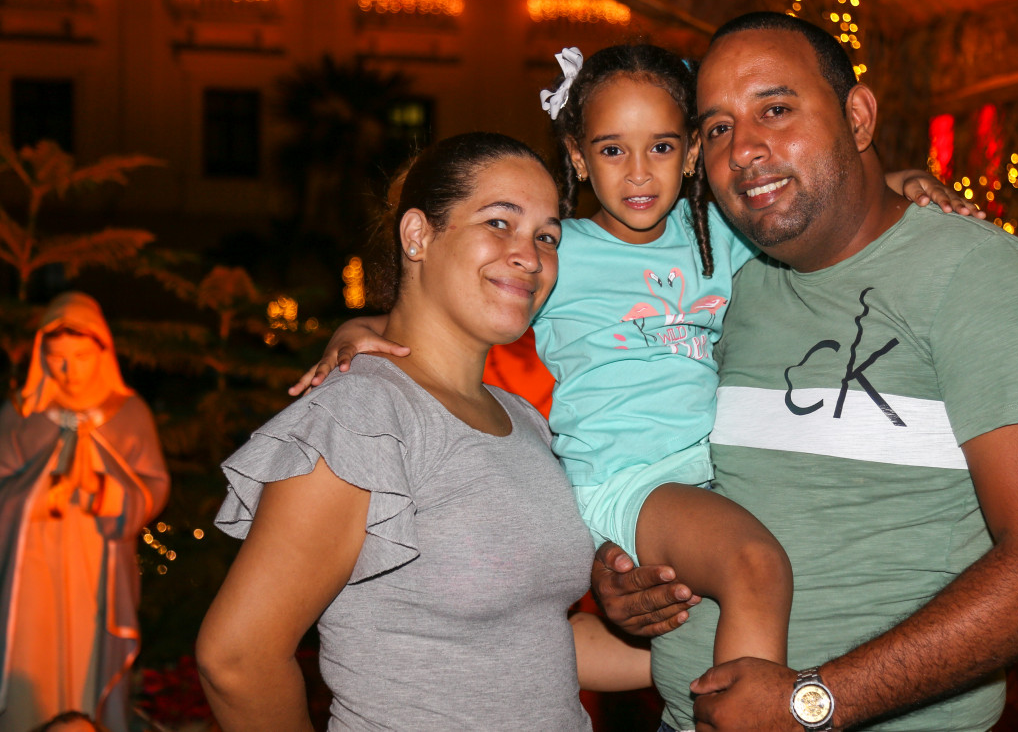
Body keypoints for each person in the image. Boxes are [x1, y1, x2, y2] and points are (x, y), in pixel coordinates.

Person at [294, 43, 976, 672]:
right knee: (756, 566)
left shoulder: (722, 234)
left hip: (710, 474)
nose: (639, 171)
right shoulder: (562, 250)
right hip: (628, 477)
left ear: (691, 153)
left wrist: (902, 181)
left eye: (662, 147)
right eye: (613, 150)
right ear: (579, 157)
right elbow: (454, 305)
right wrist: (355, 329)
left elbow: (820, 209)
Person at [592, 12, 1018, 732]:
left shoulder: (976, 273)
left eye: (775, 109)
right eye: (718, 127)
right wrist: (625, 575)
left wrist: (811, 701)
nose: (743, 149)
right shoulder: (724, 283)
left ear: (858, 117)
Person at [196, 133, 647, 732]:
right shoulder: (364, 415)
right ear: (417, 236)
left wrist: (719, 645)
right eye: (499, 222)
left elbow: (535, 643)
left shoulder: (524, 419)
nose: (531, 256)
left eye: (547, 237)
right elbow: (236, 659)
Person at [0, 293, 169, 732]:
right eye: (57, 359)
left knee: (89, 649)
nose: (69, 370)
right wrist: (38, 496)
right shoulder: (21, 414)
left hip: (98, 563)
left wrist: (107, 493)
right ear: (42, 357)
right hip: (31, 567)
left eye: (80, 357)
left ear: (103, 353)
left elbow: (153, 484)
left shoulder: (129, 413)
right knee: (32, 650)